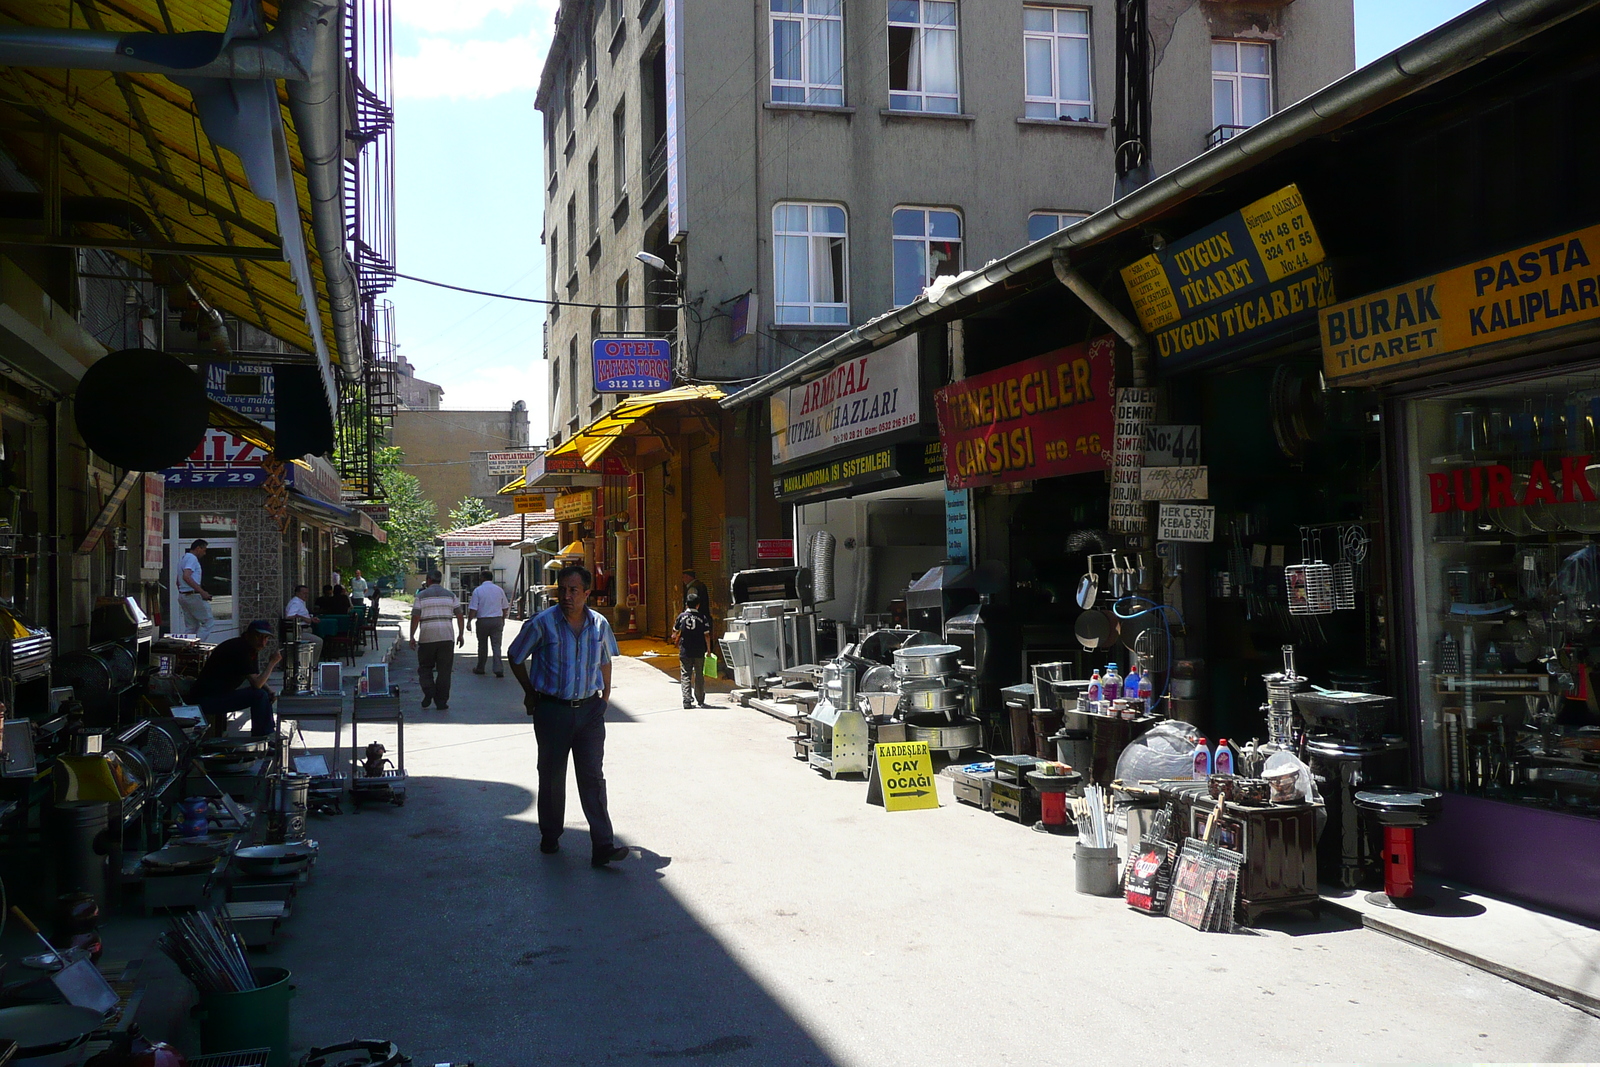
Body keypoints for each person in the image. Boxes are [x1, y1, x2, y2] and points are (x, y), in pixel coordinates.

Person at [508, 564, 628, 868]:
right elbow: (515, 654)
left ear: (587, 593)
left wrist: (606, 695)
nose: (567, 595)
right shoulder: (542, 624)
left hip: (589, 712)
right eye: (562, 589)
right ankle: (550, 834)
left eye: (574, 590)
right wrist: (529, 691)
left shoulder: (599, 624)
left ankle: (603, 844)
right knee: (551, 777)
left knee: (592, 779)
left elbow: (605, 659)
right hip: (552, 711)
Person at [189, 619, 281, 736]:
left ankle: (265, 734)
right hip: (206, 699)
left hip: (219, 694)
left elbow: (255, 676)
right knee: (259, 695)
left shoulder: (249, 648)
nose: (262, 642)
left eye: (266, 638)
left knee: (264, 693)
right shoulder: (240, 649)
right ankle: (262, 737)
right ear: (248, 635)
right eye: (258, 636)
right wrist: (272, 663)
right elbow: (257, 683)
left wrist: (269, 690)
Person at [410, 570, 464, 710]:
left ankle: (429, 691)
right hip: (447, 638)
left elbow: (415, 617)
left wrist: (412, 636)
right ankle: (441, 702)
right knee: (444, 671)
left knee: (425, 668)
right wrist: (461, 634)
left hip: (427, 638)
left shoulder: (421, 596)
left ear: (428, 580)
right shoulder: (451, 595)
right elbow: (459, 615)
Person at [671, 591, 713, 709]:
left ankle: (687, 700)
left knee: (685, 675)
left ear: (686, 605)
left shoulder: (681, 616)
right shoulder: (702, 617)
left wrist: (675, 637)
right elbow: (707, 635)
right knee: (699, 675)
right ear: (698, 605)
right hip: (699, 651)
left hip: (685, 651)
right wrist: (708, 650)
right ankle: (700, 699)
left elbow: (675, 631)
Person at [467, 571, 510, 677]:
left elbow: (473, 608)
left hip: (483, 621)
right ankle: (498, 668)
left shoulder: (478, 590)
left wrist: (469, 621)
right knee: (496, 645)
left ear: (482, 578)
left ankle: (480, 667)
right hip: (497, 620)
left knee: (482, 645)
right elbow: (505, 607)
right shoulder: (499, 590)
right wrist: (503, 619)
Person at [176, 539, 215, 640]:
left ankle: (187, 646)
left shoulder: (183, 558)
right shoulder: (192, 558)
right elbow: (186, 576)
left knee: (192, 626)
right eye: (204, 550)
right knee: (208, 622)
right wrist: (202, 592)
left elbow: (178, 581)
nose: (204, 553)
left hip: (183, 595)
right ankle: (196, 646)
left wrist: (183, 591)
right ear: (198, 548)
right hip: (192, 595)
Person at [283, 585, 325, 673]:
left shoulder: (301, 602)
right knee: (318, 641)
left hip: (304, 629)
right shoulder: (295, 603)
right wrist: (302, 618)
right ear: (297, 593)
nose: (306, 595)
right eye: (304, 593)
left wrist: (311, 618)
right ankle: (312, 665)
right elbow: (289, 616)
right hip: (298, 631)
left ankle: (308, 664)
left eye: (307, 593)